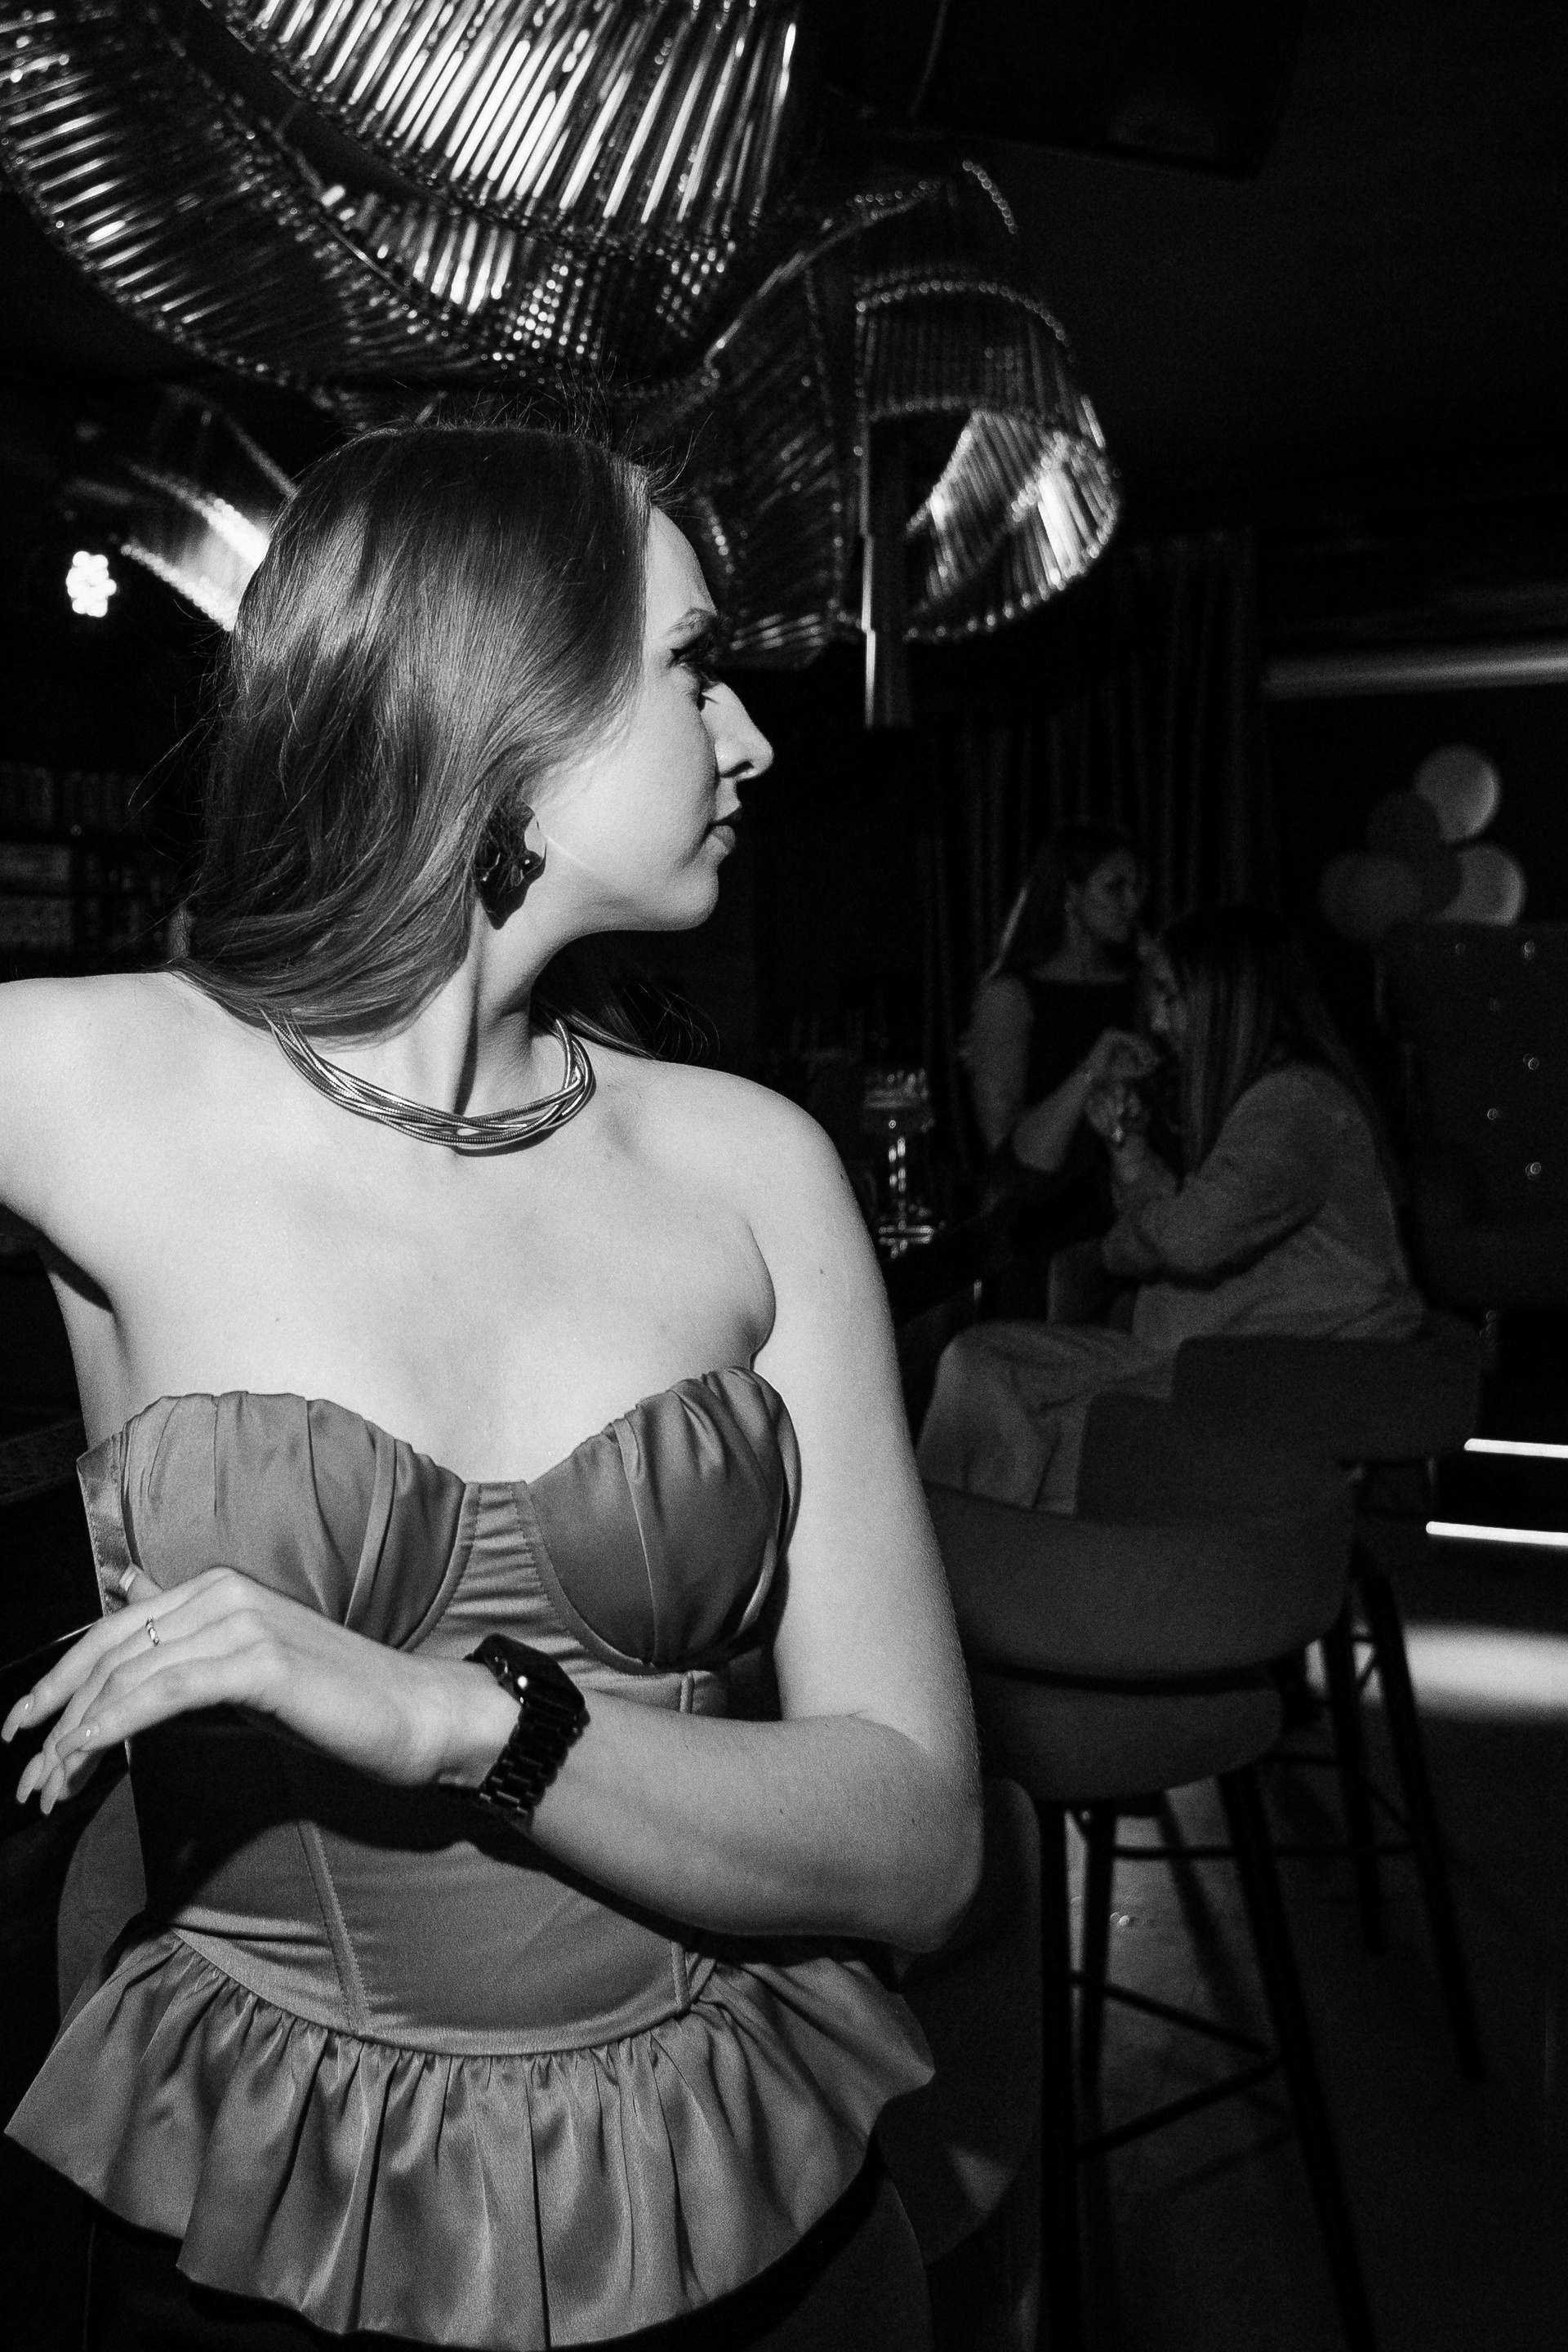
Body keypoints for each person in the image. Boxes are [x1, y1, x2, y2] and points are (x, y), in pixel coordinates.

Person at [0, 425, 982, 2350]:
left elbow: (925, 1848)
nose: (751, 737)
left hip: (736, 2221)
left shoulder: (751, 1168)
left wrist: (464, 1720)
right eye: (693, 665)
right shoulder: (93, 1083)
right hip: (278, 2234)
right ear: (504, 696)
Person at [920, 906, 1423, 1512]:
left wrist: (1116, 1249)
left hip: (1286, 1367)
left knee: (1061, 1422)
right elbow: (1186, 1224)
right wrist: (1131, 1154)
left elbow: (1189, 1239)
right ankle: (941, 1550)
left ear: (1228, 1001)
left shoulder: (1297, 1103)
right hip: (1208, 1351)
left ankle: (1006, 1553)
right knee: (978, 1362)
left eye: (1170, 997)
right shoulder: (1262, 1098)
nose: (1157, 1021)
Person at [964, 826, 1157, 1269]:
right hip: (1043, 1218)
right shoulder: (1010, 995)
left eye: (1137, 888)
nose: (1132, 903)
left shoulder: (1143, 985)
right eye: (1115, 888)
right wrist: (1092, 1075)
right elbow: (1003, 1147)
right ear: (1070, 893)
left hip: (1131, 1209)